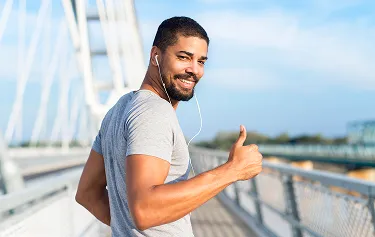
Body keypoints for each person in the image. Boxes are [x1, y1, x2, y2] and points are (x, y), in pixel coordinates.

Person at [75, 16, 263, 237]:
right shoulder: (154, 112)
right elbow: (145, 210)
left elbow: (87, 193)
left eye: (201, 61)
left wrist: (126, 229)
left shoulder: (119, 109)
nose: (195, 70)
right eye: (184, 57)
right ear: (156, 56)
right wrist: (232, 170)